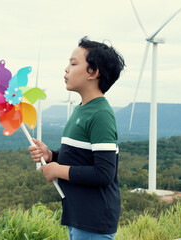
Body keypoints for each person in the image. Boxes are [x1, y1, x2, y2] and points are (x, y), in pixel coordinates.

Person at [28, 36, 125, 240]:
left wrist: (58, 170)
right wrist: (52, 155)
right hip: (80, 215)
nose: (66, 69)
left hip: (94, 219)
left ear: (94, 72)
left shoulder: (100, 115)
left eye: (73, 63)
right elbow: (81, 157)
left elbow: (104, 173)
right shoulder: (82, 109)